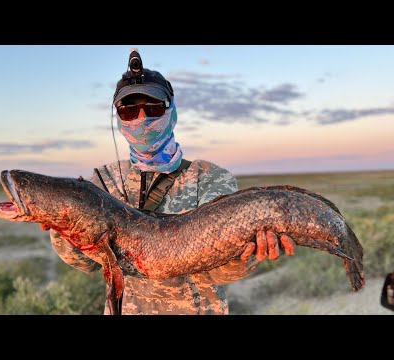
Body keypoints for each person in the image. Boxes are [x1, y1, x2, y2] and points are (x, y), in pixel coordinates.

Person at [46, 49, 296, 315]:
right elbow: (88, 264)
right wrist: (61, 227)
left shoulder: (209, 177)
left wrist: (247, 255)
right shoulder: (101, 183)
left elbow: (220, 274)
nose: (141, 118)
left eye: (152, 108)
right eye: (128, 111)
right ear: (118, 119)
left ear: (171, 111)